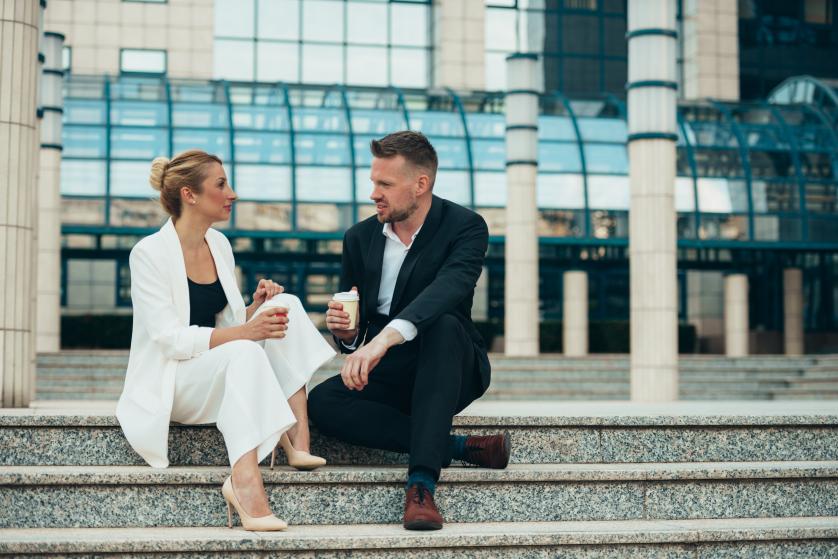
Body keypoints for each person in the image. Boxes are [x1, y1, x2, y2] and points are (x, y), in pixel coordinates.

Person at [116, 149, 335, 532]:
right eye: (221, 184)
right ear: (190, 195)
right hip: (172, 381)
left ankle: (298, 439)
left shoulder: (218, 244)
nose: (232, 193)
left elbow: (228, 323)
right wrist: (243, 332)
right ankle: (244, 480)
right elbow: (169, 340)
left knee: (285, 304)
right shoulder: (148, 253)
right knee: (244, 351)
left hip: (215, 368)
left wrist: (256, 308)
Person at [308, 131, 511, 531]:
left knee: (445, 325)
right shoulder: (359, 238)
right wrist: (348, 335)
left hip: (450, 361)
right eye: (373, 182)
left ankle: (421, 486)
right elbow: (356, 321)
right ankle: (460, 446)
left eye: (384, 184)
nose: (373, 193)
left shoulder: (466, 227)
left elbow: (448, 290)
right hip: (392, 369)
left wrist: (381, 341)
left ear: (421, 184)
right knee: (322, 402)